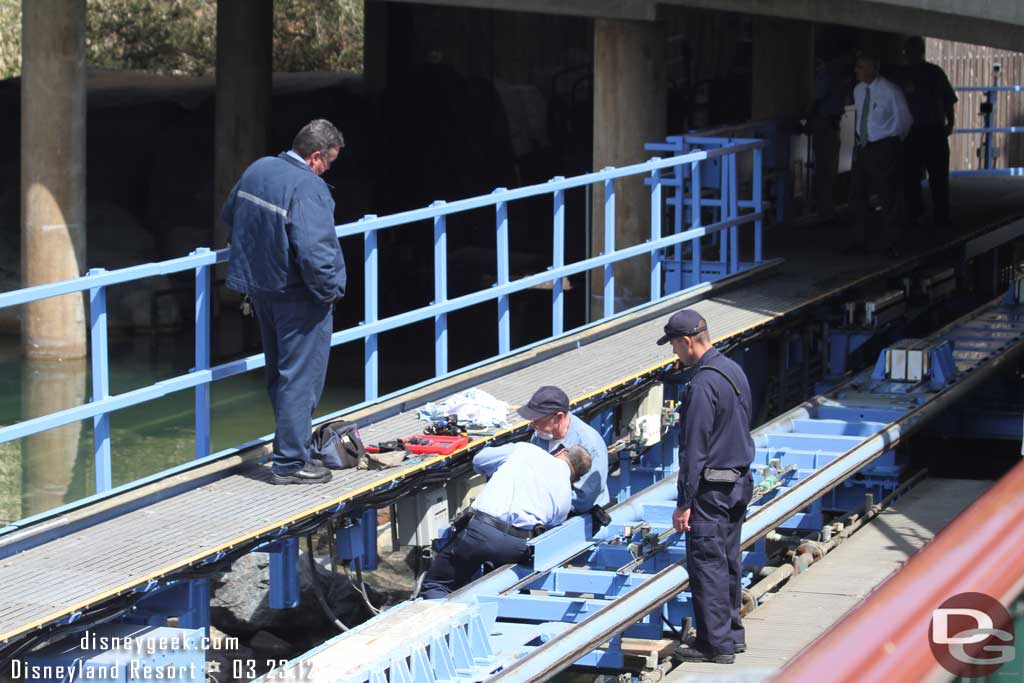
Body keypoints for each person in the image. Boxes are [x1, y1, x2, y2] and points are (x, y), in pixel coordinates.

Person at [222, 119, 347, 485]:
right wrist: (331, 292)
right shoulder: (310, 189)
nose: (328, 170)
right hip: (299, 297)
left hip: (261, 289)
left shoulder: (259, 169)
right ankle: (292, 461)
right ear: (314, 158)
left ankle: (291, 443)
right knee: (300, 378)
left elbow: (231, 214)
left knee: (280, 372)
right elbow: (315, 252)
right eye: (329, 162)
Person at [657, 310, 755, 665]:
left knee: (707, 564)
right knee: (729, 560)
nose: (674, 354)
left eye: (673, 346)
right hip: (739, 481)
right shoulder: (733, 370)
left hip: (712, 489)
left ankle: (715, 645)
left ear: (687, 342)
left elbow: (694, 449)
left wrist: (684, 502)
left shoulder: (700, 385)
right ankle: (732, 634)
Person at [420, 442, 592, 598]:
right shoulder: (566, 498)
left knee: (437, 585)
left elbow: (480, 459)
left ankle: (444, 624)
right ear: (576, 478)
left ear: (561, 451)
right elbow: (550, 526)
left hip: (479, 532)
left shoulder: (526, 450)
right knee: (510, 591)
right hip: (516, 545)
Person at [849, 52, 913, 255]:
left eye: (860, 67)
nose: (856, 71)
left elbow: (905, 120)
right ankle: (861, 239)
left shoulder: (890, 91)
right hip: (864, 146)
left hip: (884, 146)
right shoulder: (858, 90)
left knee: (888, 195)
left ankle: (893, 242)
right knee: (857, 193)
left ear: (872, 68)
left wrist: (892, 142)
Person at [518, 385, 610, 515]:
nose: (533, 425)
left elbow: (583, 499)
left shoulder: (590, 445)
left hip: (582, 517)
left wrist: (539, 502)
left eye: (538, 421)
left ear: (559, 417)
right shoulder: (540, 435)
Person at [899, 36, 957, 229]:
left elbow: (948, 100)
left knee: (934, 176)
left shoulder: (932, 73)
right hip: (916, 130)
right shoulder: (922, 73)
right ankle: (924, 214)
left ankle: (935, 214)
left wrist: (950, 122)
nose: (908, 55)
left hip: (930, 129)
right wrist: (950, 122)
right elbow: (949, 100)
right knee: (913, 176)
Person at [806, 54, 851, 222]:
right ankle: (825, 211)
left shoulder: (837, 74)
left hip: (830, 123)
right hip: (825, 124)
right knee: (826, 169)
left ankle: (827, 209)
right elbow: (817, 99)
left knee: (829, 168)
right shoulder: (828, 74)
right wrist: (811, 118)